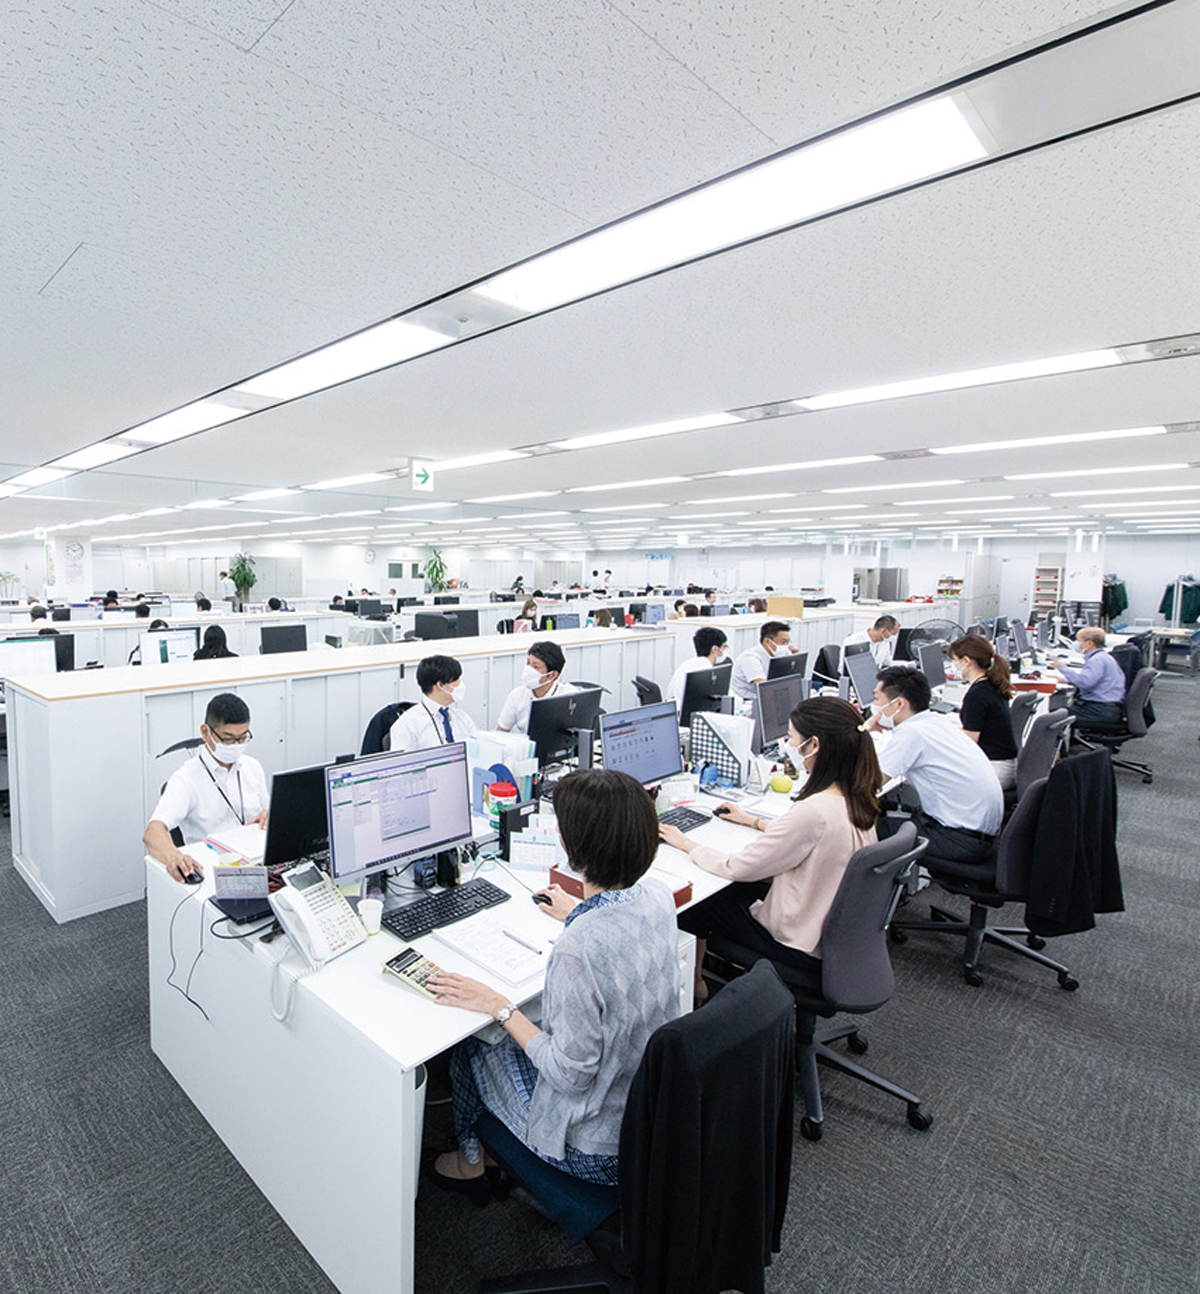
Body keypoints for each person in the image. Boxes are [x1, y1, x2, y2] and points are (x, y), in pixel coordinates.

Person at [426, 768, 681, 1197]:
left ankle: (473, 1163)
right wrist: (578, 912)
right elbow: (615, 926)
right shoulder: (657, 896)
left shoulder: (578, 947)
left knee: (477, 1043)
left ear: (568, 844)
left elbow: (569, 1075)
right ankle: (490, 1153)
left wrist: (498, 1005)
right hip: (648, 1115)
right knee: (519, 1029)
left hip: (597, 1150)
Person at [660, 697, 882, 996]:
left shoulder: (813, 811)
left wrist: (685, 843)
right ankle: (702, 979)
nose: (788, 746)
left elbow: (737, 867)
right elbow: (806, 837)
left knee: (700, 903)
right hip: (833, 937)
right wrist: (754, 822)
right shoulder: (857, 794)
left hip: (796, 943)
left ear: (814, 745)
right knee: (739, 890)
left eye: (791, 738)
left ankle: (695, 987)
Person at [865, 666, 1003, 864]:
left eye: (877, 699)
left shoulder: (912, 734)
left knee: (864, 826)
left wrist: (862, 734)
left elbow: (868, 784)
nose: (874, 706)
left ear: (899, 703)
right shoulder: (934, 722)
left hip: (958, 840)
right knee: (884, 806)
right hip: (977, 834)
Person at [143, 692, 269, 883]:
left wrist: (269, 815)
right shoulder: (186, 779)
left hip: (257, 864)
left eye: (242, 738)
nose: (236, 745)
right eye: (228, 738)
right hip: (212, 871)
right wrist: (174, 856)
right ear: (205, 732)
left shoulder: (252, 767)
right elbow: (152, 833)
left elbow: (266, 812)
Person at [948, 634, 1018, 789]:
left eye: (954, 661)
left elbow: (969, 743)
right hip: (1004, 766)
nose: (953, 666)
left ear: (966, 661)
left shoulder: (976, 695)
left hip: (994, 771)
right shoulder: (992, 685)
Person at [389, 655, 479, 752]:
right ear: (440, 685)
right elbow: (401, 761)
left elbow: (480, 747)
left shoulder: (462, 718)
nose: (460, 683)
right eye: (456, 679)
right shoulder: (407, 725)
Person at [1049, 627, 1127, 726]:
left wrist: (1061, 667)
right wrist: (1064, 680)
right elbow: (1091, 680)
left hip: (1100, 710)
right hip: (1105, 708)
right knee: (1059, 712)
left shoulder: (1097, 660)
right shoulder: (1102, 657)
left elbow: (1085, 682)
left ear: (1089, 644)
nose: (1076, 643)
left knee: (1051, 717)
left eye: (1078, 640)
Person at [497, 641, 575, 733]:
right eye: (528, 663)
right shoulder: (517, 695)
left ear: (552, 675)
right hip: (526, 742)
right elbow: (501, 731)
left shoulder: (569, 695)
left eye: (536, 666)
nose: (528, 669)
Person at [730, 620, 798, 700]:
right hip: (747, 700)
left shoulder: (779, 654)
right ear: (767, 641)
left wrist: (795, 659)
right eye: (783, 642)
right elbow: (764, 687)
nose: (786, 646)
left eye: (787, 642)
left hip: (768, 697)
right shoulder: (750, 658)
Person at [666, 625, 728, 713]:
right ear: (715, 649)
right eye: (724, 647)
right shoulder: (704, 670)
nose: (725, 651)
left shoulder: (689, 664)